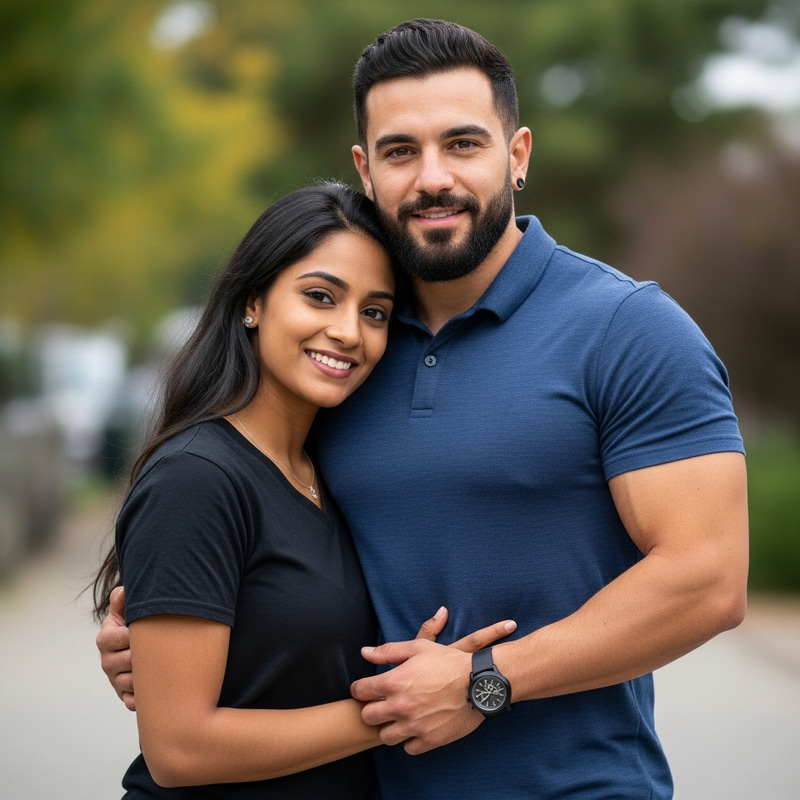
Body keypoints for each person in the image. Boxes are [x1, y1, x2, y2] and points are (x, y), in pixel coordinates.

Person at [98, 19, 749, 799]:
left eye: (464, 144)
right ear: (364, 169)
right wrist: (183, 644)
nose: (431, 177)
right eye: (401, 151)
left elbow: (707, 577)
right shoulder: (345, 351)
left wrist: (485, 680)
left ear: (518, 157)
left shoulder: (627, 330)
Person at [90, 180, 517, 798]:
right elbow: (179, 749)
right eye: (320, 297)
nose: (348, 332)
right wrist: (394, 709)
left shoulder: (331, 470)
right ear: (253, 301)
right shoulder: (197, 477)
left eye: (374, 312)